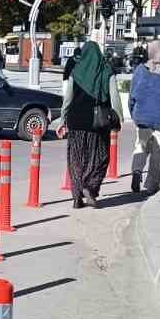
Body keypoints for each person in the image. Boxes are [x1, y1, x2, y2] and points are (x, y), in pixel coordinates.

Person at [55, 39, 121, 209]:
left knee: (76, 160)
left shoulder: (75, 72)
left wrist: (62, 120)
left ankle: (76, 196)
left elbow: (67, 99)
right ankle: (90, 187)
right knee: (100, 158)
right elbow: (115, 98)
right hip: (98, 125)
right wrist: (118, 118)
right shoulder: (107, 71)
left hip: (76, 123)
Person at [128, 39, 160, 195]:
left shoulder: (140, 71)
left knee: (141, 147)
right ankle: (152, 186)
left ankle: (137, 171)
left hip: (142, 118)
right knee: (157, 153)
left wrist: (134, 113)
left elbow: (132, 96)